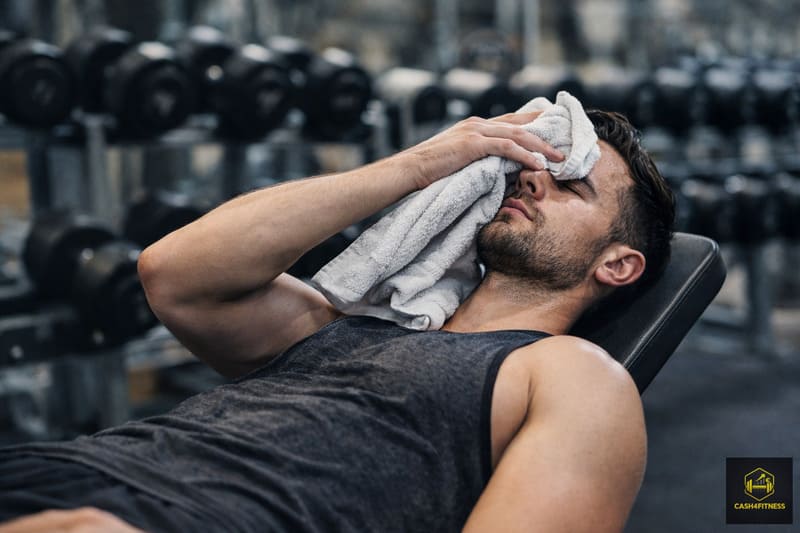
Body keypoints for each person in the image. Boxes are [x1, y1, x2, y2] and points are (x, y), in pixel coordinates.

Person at [0, 109, 674, 533]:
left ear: (617, 264)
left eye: (570, 184)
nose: (531, 177)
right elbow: (171, 272)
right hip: (56, 468)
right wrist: (420, 164)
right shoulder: (342, 325)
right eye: (533, 166)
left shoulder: (572, 376)